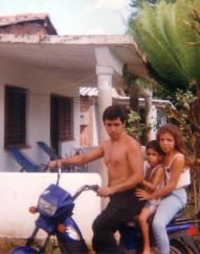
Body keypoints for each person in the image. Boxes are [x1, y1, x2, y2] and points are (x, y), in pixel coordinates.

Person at [48, 105, 144, 253]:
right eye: (109, 125)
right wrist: (61, 162)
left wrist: (111, 188)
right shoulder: (106, 145)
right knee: (99, 236)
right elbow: (85, 158)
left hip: (131, 197)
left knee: (100, 225)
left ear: (123, 124)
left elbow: (138, 176)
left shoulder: (131, 145)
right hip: (116, 198)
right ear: (104, 124)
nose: (113, 129)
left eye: (117, 125)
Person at [136, 124, 191, 254]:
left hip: (175, 195)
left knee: (158, 225)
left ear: (175, 140)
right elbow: (144, 153)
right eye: (162, 140)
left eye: (169, 140)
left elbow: (171, 186)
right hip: (163, 194)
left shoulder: (178, 158)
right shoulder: (163, 155)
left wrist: (150, 196)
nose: (165, 143)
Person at [138, 140, 165, 254]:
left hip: (154, 200)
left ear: (160, 156)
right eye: (148, 154)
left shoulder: (159, 169)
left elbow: (153, 187)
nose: (150, 157)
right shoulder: (149, 168)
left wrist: (140, 180)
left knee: (142, 218)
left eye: (154, 154)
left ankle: (147, 247)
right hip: (148, 197)